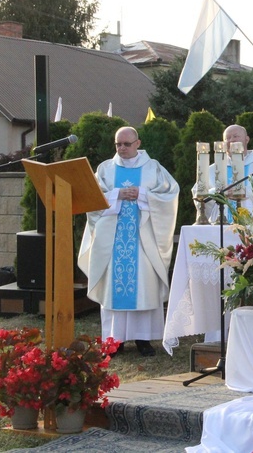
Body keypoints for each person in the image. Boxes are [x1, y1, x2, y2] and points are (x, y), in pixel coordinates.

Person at [78, 126, 179, 357]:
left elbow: (170, 194)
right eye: (118, 144)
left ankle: (144, 339)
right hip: (112, 239)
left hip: (143, 238)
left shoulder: (153, 168)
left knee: (144, 285)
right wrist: (117, 195)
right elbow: (91, 199)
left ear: (138, 143)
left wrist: (143, 195)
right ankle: (115, 340)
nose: (122, 148)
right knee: (114, 287)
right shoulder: (105, 169)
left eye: (126, 144)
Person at [191, 124, 253, 224]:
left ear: (247, 139)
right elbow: (198, 193)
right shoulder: (211, 170)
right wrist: (218, 192)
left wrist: (245, 192)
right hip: (218, 227)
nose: (231, 140)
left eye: (236, 136)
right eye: (227, 138)